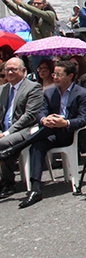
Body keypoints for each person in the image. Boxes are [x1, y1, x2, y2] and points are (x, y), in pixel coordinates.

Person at [19, 60, 86, 208]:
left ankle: (17, 147)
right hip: (51, 133)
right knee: (37, 144)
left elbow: (83, 119)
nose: (55, 77)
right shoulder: (49, 92)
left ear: (70, 76)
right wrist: (44, 119)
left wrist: (65, 123)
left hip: (70, 134)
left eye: (59, 75)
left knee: (48, 130)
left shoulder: (82, 93)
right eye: (54, 74)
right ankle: (35, 189)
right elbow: (40, 113)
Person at [0, 57, 43, 197]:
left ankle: (8, 183)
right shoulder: (2, 90)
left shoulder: (33, 87)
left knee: (2, 143)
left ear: (24, 71)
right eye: (7, 70)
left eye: (14, 69)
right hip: (4, 130)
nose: (10, 72)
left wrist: (7, 133)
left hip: (24, 130)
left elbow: (29, 116)